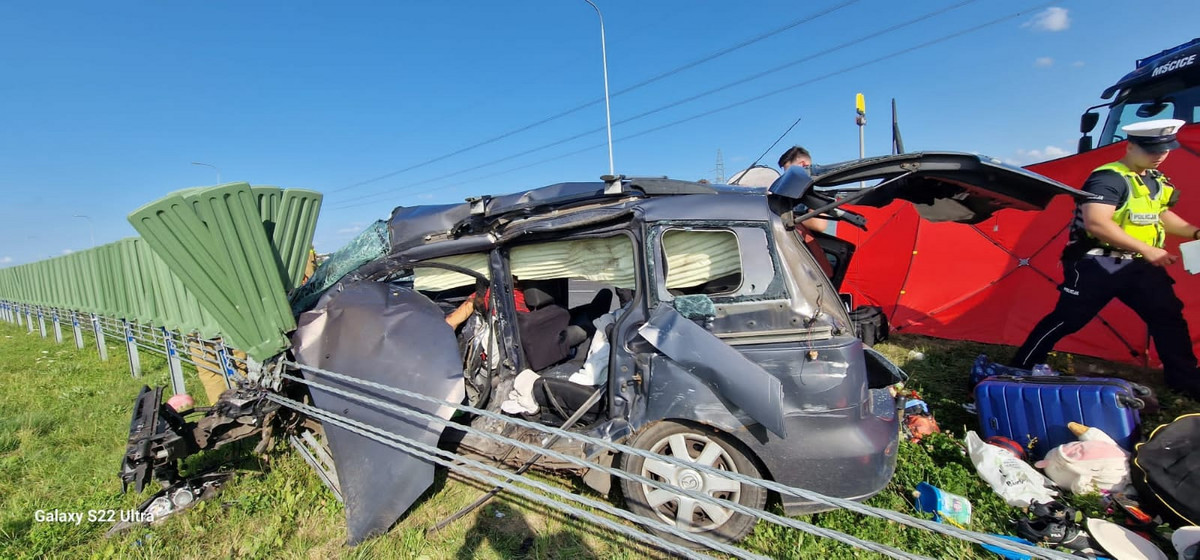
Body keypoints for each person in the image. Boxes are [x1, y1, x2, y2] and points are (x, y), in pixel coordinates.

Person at [1010, 119, 1200, 400]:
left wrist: (1194, 232)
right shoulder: (1108, 177)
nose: (1159, 155)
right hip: (1097, 264)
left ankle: (1184, 381)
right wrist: (1148, 249)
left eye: (1165, 149)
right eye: (1150, 150)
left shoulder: (1156, 179)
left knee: (1168, 317)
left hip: (1141, 267)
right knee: (1068, 319)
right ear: (1131, 146)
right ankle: (1018, 368)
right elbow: (1097, 223)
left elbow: (1160, 215)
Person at [778, 146, 834, 276]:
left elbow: (819, 224)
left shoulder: (814, 187)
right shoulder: (799, 190)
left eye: (788, 171)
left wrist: (786, 217)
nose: (786, 176)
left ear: (802, 165)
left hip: (814, 261)